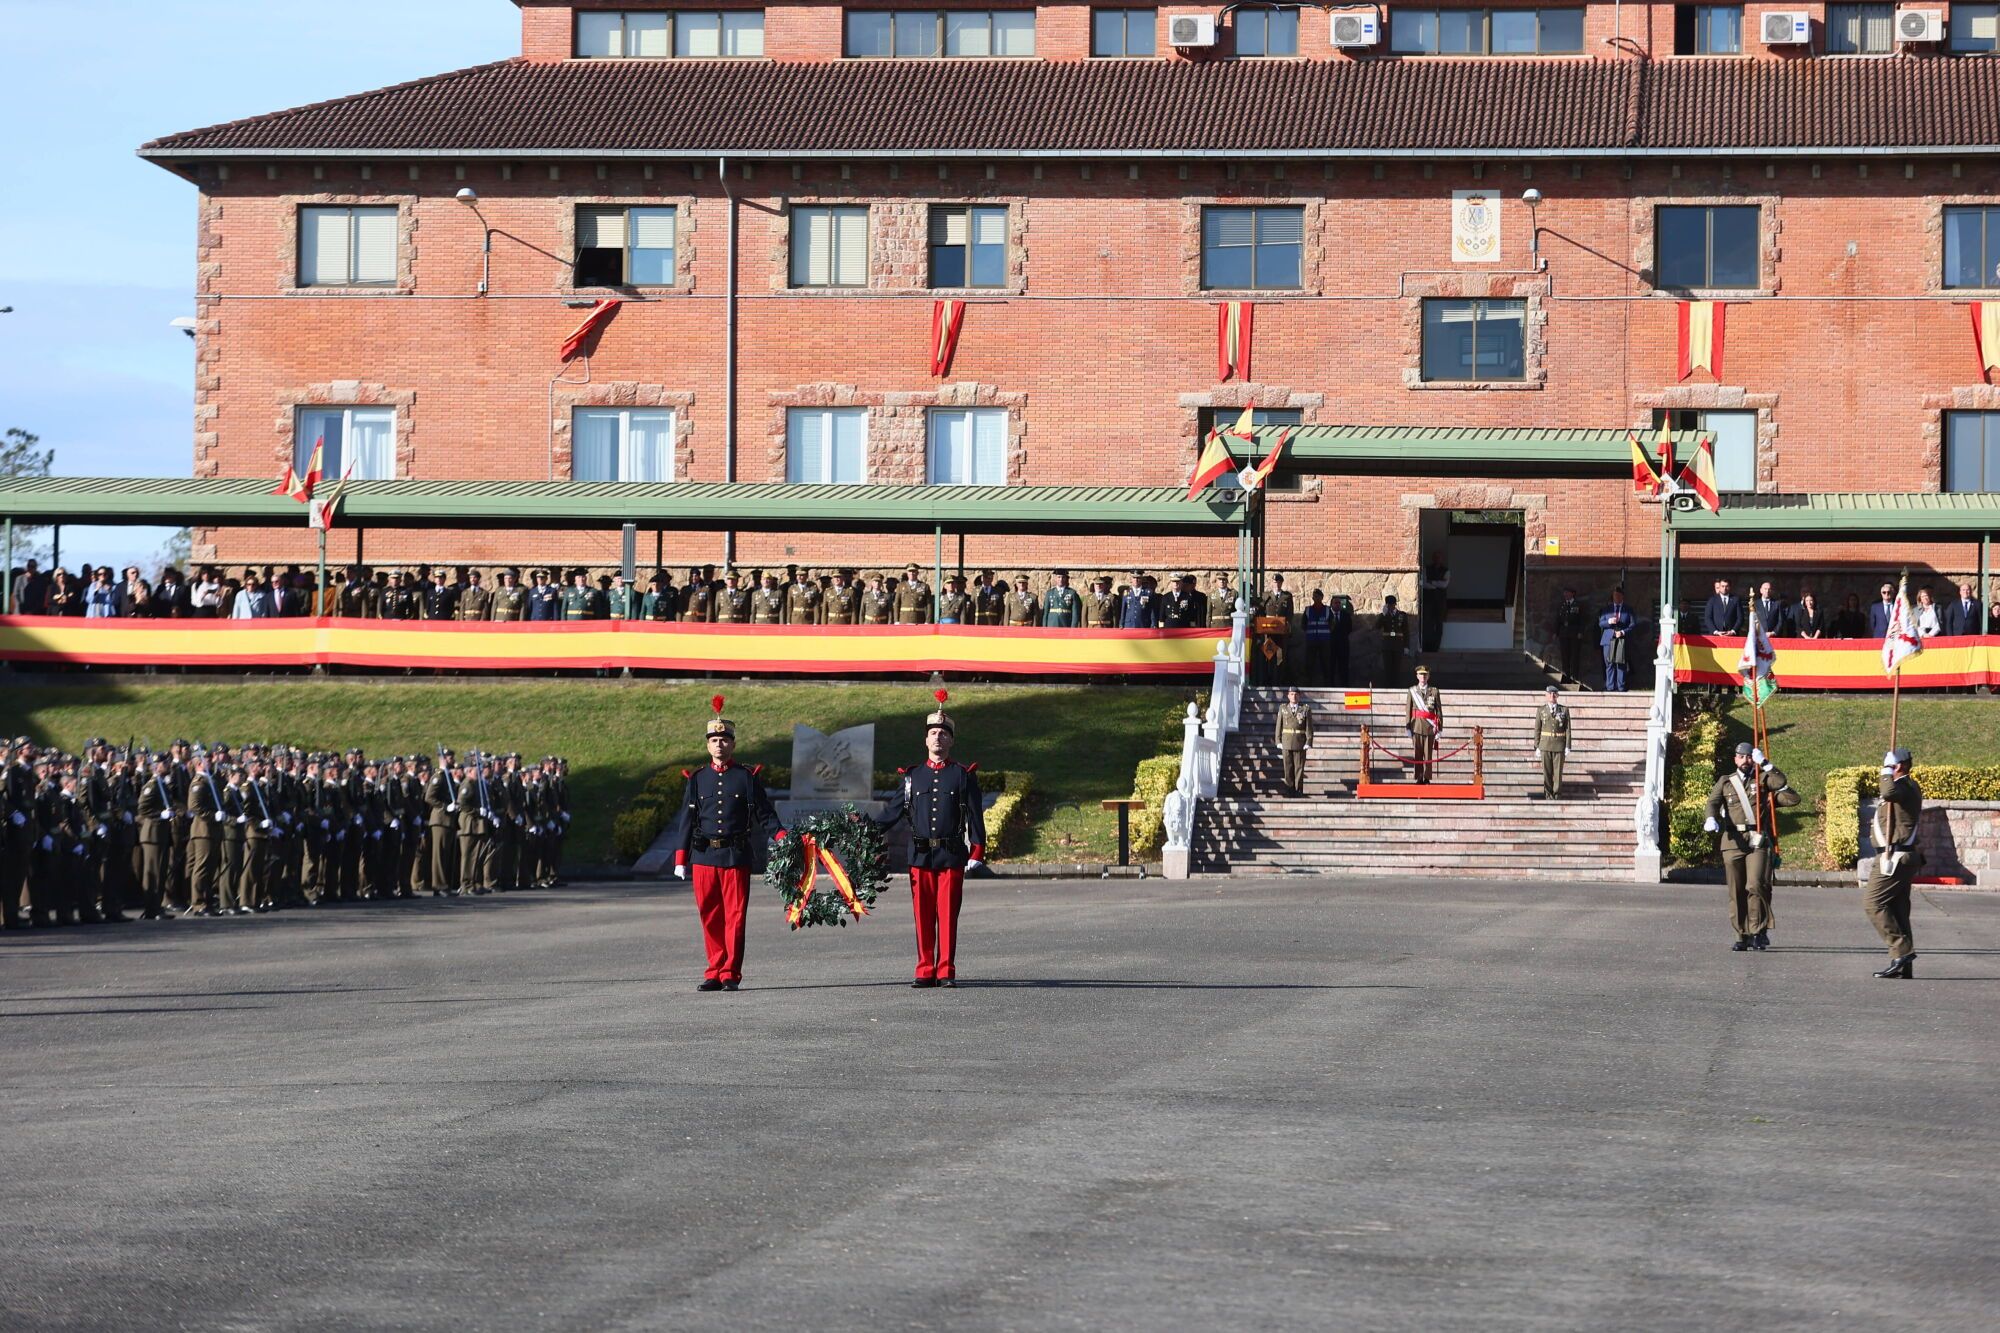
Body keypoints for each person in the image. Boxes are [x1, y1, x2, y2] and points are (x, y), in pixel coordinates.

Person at [669, 698, 786, 991]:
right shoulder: (697, 779)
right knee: (710, 915)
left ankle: (730, 972)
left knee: (734, 916)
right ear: (708, 745)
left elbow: (764, 814)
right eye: (714, 739)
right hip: (705, 855)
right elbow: (687, 819)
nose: (719, 744)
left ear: (732, 744)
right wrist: (680, 858)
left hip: (736, 855)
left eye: (724, 739)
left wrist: (784, 839)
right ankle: (713, 969)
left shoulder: (746, 777)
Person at [874, 691, 985, 988]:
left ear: (951, 741)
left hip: (951, 855)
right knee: (923, 915)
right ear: (925, 740)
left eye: (943, 733)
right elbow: (892, 813)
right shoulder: (912, 777)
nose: (938, 738)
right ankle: (925, 968)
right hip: (920, 855)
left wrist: (977, 848)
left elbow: (975, 815)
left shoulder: (963, 776)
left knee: (947, 916)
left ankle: (946, 969)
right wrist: (864, 827)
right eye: (933, 733)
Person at [1702, 742, 1798, 952]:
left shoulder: (1763, 780)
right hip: (1733, 839)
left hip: (1757, 839)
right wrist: (1711, 818)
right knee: (1736, 890)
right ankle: (1741, 934)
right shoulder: (1726, 781)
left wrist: (1765, 763)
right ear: (1735, 759)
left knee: (1755, 885)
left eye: (1748, 757)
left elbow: (1782, 782)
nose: (1745, 761)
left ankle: (1757, 931)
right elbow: (1712, 803)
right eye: (1741, 757)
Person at [1862, 747, 1924, 978]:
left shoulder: (1906, 786)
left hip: (1895, 858)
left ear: (1899, 766)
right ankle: (1903, 965)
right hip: (1895, 856)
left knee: (1873, 903)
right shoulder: (1903, 788)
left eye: (1891, 765)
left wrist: (1886, 771)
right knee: (1898, 911)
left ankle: (1902, 951)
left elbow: (1887, 792)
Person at [1403, 664, 1442, 784]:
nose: (1423, 676)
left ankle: (1427, 777)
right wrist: (1408, 727)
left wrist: (1440, 729)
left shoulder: (1434, 691)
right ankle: (1419, 777)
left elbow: (1439, 710)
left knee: (1428, 755)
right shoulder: (1412, 691)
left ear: (1428, 676)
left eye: (1425, 674)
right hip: (1417, 726)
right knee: (1417, 754)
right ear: (1417, 676)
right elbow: (1408, 709)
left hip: (1430, 727)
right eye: (1421, 674)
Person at [1273, 686, 1313, 795]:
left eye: (1295, 694)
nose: (1293, 696)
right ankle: (1289, 790)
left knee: (1299, 768)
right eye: (1291, 694)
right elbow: (1278, 726)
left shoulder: (1305, 709)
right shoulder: (1283, 708)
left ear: (1299, 696)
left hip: (1300, 742)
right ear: (1288, 696)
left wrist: (1308, 741)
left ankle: (1298, 790)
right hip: (1286, 741)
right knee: (1288, 767)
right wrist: (1278, 741)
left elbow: (1309, 727)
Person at [1534, 685, 1571, 799]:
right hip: (1545, 745)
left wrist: (1568, 746)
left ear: (1558, 695)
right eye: (1549, 693)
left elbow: (1568, 729)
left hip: (1559, 744)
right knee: (1547, 772)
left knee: (1558, 773)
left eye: (1554, 693)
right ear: (1546, 695)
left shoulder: (1564, 710)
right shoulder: (1541, 710)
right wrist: (1537, 746)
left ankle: (1557, 794)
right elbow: (1537, 729)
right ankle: (1548, 794)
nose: (1552, 696)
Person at [1599, 588, 1635, 692]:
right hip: (1609, 638)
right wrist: (1609, 621)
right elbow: (1601, 623)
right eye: (1614, 596)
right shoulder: (1607, 609)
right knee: (1609, 664)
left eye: (1618, 596)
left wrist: (1623, 632)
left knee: (1620, 664)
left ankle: (1621, 688)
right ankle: (1610, 687)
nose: (1616, 598)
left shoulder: (1628, 609)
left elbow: (1633, 624)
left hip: (1621, 639)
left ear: (1622, 596)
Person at [1553, 587, 1590, 684]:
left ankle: (1574, 677)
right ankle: (1566, 676)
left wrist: (1580, 632)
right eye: (1564, 592)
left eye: (1567, 593)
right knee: (1565, 656)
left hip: (1574, 634)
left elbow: (1582, 620)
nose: (1565, 594)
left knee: (1574, 656)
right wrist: (1556, 632)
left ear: (1572, 594)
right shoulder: (1562, 605)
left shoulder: (1578, 605)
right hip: (1564, 634)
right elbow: (1558, 620)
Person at [1302, 590, 1334, 686]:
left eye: (1317, 596)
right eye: (1314, 597)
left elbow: (1332, 624)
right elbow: (1303, 625)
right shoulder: (1308, 610)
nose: (1315, 598)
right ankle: (1308, 685)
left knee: (1326, 664)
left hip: (1324, 641)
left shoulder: (1328, 610)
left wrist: (1327, 634)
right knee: (1309, 664)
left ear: (1321, 598)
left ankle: (1328, 685)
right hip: (1311, 641)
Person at [1376, 594, 1409, 687]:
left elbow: (1406, 631)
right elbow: (1377, 626)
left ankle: (1396, 687)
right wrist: (1383, 615)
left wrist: (1406, 646)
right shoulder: (1384, 615)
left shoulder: (1402, 615)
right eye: (1388, 605)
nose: (1390, 606)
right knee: (1387, 668)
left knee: (1397, 668)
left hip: (1398, 644)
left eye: (1392, 604)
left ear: (1395, 604)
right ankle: (1388, 687)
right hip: (1387, 645)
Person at [1419, 556, 1449, 654]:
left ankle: (1435, 647)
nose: (1438, 559)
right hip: (1428, 600)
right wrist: (1437, 584)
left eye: (1439, 557)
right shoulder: (1426, 569)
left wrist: (1432, 582)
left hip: (1440, 601)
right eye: (1436, 557)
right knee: (1427, 623)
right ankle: (1426, 647)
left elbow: (1444, 584)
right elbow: (1423, 583)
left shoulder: (1446, 570)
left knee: (1438, 623)